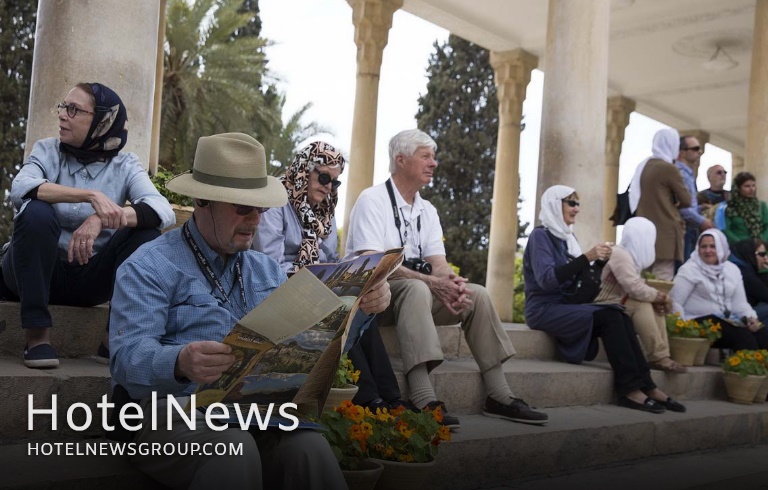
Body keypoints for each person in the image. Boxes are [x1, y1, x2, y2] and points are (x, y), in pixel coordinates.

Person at [110, 133, 390, 489]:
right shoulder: (149, 266)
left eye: (260, 208)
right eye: (242, 208)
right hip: (169, 410)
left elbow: (317, 349)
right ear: (202, 200)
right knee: (233, 448)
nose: (255, 220)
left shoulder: (266, 269)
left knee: (310, 447)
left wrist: (361, 309)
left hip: (254, 412)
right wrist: (180, 361)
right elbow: (125, 358)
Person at [346, 129, 548, 429]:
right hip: (376, 300)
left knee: (476, 294)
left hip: (416, 295)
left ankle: (499, 394)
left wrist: (451, 283)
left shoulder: (427, 210)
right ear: (400, 160)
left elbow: (438, 265)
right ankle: (423, 396)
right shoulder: (372, 199)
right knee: (416, 287)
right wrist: (430, 282)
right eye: (426, 156)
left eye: (434, 157)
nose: (434, 163)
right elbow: (375, 263)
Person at [1, 82, 174, 369]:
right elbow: (20, 188)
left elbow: (162, 210)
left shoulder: (126, 165)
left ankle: (111, 340)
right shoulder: (47, 150)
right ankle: (37, 336)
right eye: (63, 107)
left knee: (144, 233)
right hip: (31, 272)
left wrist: (102, 218)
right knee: (36, 213)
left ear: (102, 121)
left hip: (90, 280)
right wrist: (90, 196)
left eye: (73, 109)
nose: (62, 115)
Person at [256, 140, 409, 411]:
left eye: (335, 182)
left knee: (361, 302)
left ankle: (392, 399)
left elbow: (330, 261)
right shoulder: (276, 199)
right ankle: (370, 400)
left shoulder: (326, 211)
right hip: (279, 289)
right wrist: (314, 285)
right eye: (324, 177)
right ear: (304, 170)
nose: (329, 186)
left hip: (318, 288)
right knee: (340, 310)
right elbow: (269, 264)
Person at [524, 185, 685, 414]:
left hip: (566, 305)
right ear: (554, 204)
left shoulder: (567, 238)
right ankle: (629, 390)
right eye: (571, 202)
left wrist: (598, 264)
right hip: (543, 308)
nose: (577, 209)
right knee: (610, 316)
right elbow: (547, 280)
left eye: (577, 203)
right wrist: (586, 257)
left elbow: (579, 287)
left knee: (618, 313)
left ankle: (648, 386)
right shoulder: (541, 236)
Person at [599, 217, 686, 373]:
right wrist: (662, 297)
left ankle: (661, 355)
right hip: (601, 303)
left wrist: (657, 298)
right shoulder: (620, 254)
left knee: (652, 302)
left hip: (616, 302)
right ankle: (658, 356)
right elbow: (634, 288)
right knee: (642, 303)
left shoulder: (628, 256)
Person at [670, 229, 768, 351]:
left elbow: (740, 303)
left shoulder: (732, 270)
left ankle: (762, 368)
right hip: (698, 321)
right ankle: (747, 367)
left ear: (722, 247)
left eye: (713, 246)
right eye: (703, 246)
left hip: (727, 321)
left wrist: (750, 318)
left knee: (761, 333)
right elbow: (674, 301)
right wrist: (682, 328)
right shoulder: (689, 270)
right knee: (742, 337)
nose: (708, 251)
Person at [629, 128, 691, 280]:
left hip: (643, 233)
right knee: (662, 280)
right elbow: (687, 200)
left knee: (643, 278)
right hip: (665, 234)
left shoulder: (644, 166)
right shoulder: (669, 168)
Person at [675, 135, 713, 261]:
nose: (700, 152)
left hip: (688, 229)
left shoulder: (687, 173)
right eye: (695, 148)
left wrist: (699, 208)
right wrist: (702, 222)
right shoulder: (680, 173)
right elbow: (682, 207)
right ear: (682, 152)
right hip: (683, 230)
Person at [729, 239, 768, 326]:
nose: (765, 258)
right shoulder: (743, 273)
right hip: (737, 317)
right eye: (762, 254)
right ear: (749, 254)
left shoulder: (747, 269)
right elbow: (765, 294)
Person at [723, 172, 768, 244]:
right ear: (738, 188)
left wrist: (761, 241)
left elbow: (767, 226)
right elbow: (727, 230)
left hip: (761, 247)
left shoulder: (761, 205)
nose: (751, 189)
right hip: (739, 248)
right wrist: (743, 244)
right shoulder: (730, 208)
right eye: (747, 186)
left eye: (753, 185)